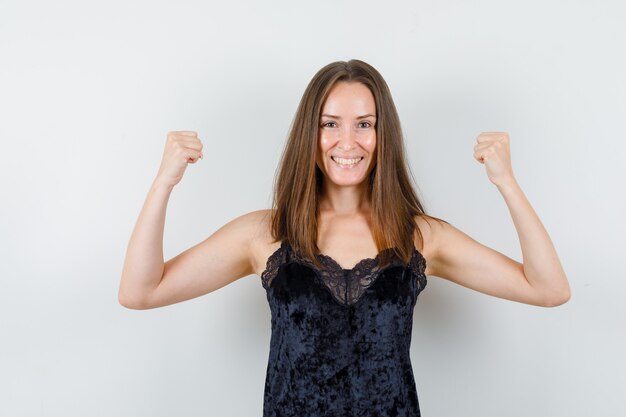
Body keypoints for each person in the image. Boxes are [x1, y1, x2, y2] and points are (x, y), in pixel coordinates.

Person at [118, 59, 571, 416]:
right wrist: (163, 183)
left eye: (364, 124)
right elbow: (140, 291)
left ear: (382, 133)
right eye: (330, 123)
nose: (347, 141)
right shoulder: (264, 234)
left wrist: (506, 183)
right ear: (310, 134)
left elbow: (548, 289)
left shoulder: (421, 236)